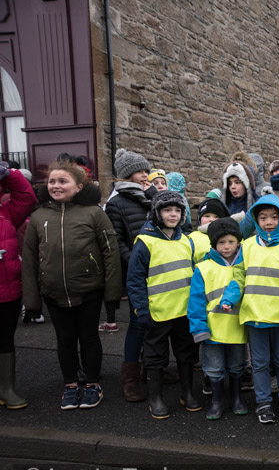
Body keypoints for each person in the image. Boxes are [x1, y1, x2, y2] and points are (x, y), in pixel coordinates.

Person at [22, 160, 122, 410]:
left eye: (62, 181)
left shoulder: (94, 213)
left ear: (78, 186)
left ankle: (91, 383)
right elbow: (31, 259)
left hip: (88, 289)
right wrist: (32, 302)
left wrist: (112, 293)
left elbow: (111, 254)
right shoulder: (39, 216)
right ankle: (70, 384)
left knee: (88, 337)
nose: (56, 185)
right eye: (52, 181)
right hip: (54, 293)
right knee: (64, 339)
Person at [226, 194, 279, 424]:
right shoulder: (248, 245)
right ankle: (263, 402)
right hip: (255, 316)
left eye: (273, 216)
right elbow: (238, 276)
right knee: (259, 364)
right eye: (263, 217)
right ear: (256, 219)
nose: (268, 221)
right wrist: (230, 298)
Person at [127, 191, 201, 419]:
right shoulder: (145, 242)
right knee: (155, 357)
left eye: (178, 210)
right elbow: (135, 280)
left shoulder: (186, 240)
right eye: (167, 210)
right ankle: (156, 398)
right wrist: (141, 309)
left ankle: (187, 392)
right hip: (157, 313)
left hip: (184, 312)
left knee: (186, 354)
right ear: (157, 213)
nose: (173, 215)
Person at [105, 148, 166, 401]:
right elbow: (117, 241)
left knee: (161, 321)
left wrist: (153, 194)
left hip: (161, 271)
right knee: (137, 324)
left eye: (147, 171)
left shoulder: (151, 197)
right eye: (142, 171)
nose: (146, 175)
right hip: (136, 272)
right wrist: (138, 263)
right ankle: (130, 376)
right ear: (128, 174)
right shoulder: (115, 203)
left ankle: (152, 368)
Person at [188, 217, 248, 420]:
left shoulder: (246, 265)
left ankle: (237, 399)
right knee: (214, 368)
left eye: (231, 241)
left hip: (238, 327)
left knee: (237, 366)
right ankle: (217, 401)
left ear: (238, 242)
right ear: (214, 244)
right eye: (221, 242)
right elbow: (196, 301)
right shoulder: (203, 268)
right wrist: (199, 328)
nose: (227, 246)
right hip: (212, 329)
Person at [0, 161, 36, 409]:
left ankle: (6, 388)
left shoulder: (7, 211)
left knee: (5, 339)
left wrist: (9, 173)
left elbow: (27, 197)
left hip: (8, 290)